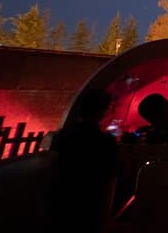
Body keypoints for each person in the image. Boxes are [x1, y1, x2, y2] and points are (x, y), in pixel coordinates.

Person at [49, 89, 119, 233]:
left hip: (60, 198)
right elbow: (110, 172)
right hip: (89, 200)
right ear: (103, 112)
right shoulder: (105, 141)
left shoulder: (60, 136)